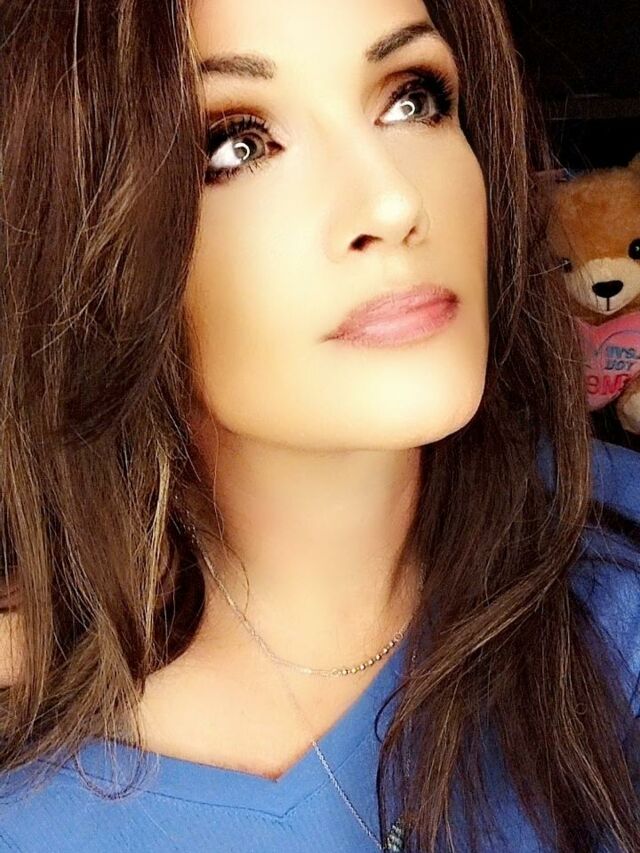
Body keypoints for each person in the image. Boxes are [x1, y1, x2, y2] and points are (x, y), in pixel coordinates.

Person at [0, 0, 639, 851]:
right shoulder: (34, 798)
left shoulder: (612, 577)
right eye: (236, 145)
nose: (393, 199)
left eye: (412, 99)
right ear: (83, 243)